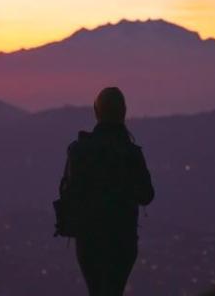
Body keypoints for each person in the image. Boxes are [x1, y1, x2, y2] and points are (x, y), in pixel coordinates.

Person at [59, 87, 154, 296]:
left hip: (88, 238)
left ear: (96, 112)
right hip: (122, 238)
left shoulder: (79, 150)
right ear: (123, 112)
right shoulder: (131, 153)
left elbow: (69, 194)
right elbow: (147, 195)